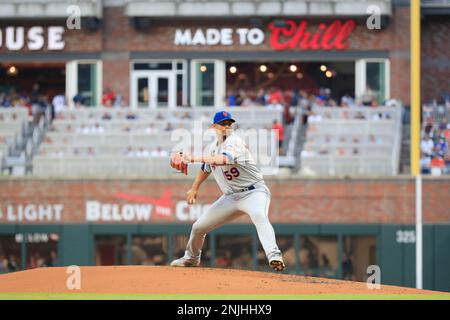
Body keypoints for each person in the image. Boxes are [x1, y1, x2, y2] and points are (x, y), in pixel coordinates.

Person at [169, 110, 285, 271]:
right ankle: (191, 259)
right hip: (230, 197)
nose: (227, 127)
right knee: (198, 227)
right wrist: (194, 188)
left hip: (254, 192)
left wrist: (192, 157)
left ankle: (274, 255)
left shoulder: (234, 141)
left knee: (259, 215)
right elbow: (206, 168)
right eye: (223, 124)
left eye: (230, 124)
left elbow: (223, 160)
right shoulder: (211, 148)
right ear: (213, 127)